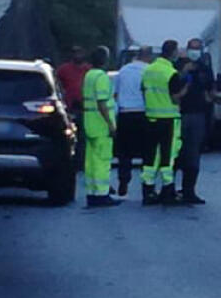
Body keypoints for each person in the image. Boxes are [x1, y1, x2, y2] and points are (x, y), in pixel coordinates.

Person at [140, 39, 188, 205]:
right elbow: (175, 98)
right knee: (168, 155)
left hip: (150, 117)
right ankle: (168, 189)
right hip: (168, 119)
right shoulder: (170, 73)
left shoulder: (148, 70)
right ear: (173, 52)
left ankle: (148, 189)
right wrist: (185, 90)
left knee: (151, 155)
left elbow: (143, 91)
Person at [175, 37, 214, 205]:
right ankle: (168, 189)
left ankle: (189, 190)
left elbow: (209, 91)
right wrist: (184, 73)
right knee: (175, 154)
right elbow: (172, 86)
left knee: (193, 154)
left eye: (197, 48)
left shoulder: (205, 69)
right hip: (179, 114)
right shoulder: (178, 66)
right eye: (192, 48)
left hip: (198, 114)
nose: (194, 51)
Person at [81, 46, 119, 207]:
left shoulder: (89, 75)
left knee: (91, 161)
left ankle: (92, 192)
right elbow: (102, 102)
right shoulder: (102, 77)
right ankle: (102, 193)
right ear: (104, 60)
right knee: (103, 160)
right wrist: (110, 124)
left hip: (89, 122)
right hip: (101, 123)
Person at [114, 45, 152, 196]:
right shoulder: (149, 71)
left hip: (125, 114)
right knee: (146, 151)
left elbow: (116, 93)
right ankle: (146, 185)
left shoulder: (123, 71)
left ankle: (123, 181)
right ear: (148, 56)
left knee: (124, 153)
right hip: (143, 113)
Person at [56, 45, 91, 169]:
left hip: (84, 107)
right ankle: (67, 160)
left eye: (80, 53)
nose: (78, 55)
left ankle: (80, 161)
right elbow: (56, 84)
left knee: (82, 136)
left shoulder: (88, 70)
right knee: (68, 134)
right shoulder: (64, 69)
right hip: (69, 107)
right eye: (75, 53)